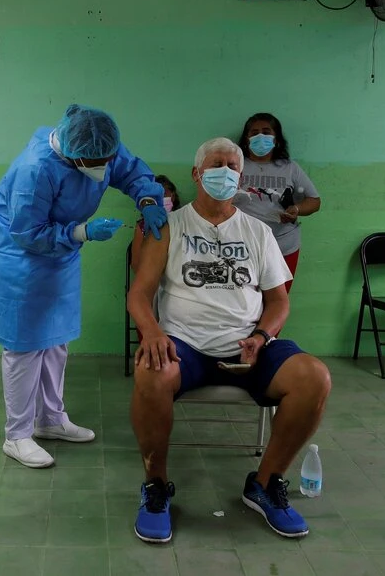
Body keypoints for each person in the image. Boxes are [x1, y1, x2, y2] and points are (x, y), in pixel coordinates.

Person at [127, 137, 332, 543]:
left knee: (315, 378)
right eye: (216, 164)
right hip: (184, 345)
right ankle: (156, 487)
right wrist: (151, 331)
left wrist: (261, 336)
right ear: (197, 173)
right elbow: (139, 293)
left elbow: (278, 302)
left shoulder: (258, 232)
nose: (224, 172)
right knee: (151, 372)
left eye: (232, 166)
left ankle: (265, 482)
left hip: (249, 347)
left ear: (240, 178)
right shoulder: (168, 227)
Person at [0, 103, 167, 469]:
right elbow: (27, 232)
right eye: (98, 162)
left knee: (56, 340)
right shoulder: (35, 170)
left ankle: (51, 419)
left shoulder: (99, 147)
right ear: (74, 155)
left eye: (108, 158)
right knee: (25, 346)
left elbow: (130, 170)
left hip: (62, 250)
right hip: (21, 257)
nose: (105, 167)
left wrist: (148, 198)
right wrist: (81, 231)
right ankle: (17, 435)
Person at [233, 113, 321, 292]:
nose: (260, 137)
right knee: (244, 301)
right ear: (246, 138)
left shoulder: (290, 168)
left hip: (284, 245)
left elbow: (314, 201)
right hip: (241, 245)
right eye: (254, 133)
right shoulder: (235, 166)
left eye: (266, 132)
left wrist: (297, 209)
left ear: (276, 138)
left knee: (277, 301)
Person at [130, 175, 181, 273]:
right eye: (154, 197)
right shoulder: (143, 226)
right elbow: (135, 265)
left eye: (163, 194)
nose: (160, 200)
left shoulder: (183, 222)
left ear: (173, 196)